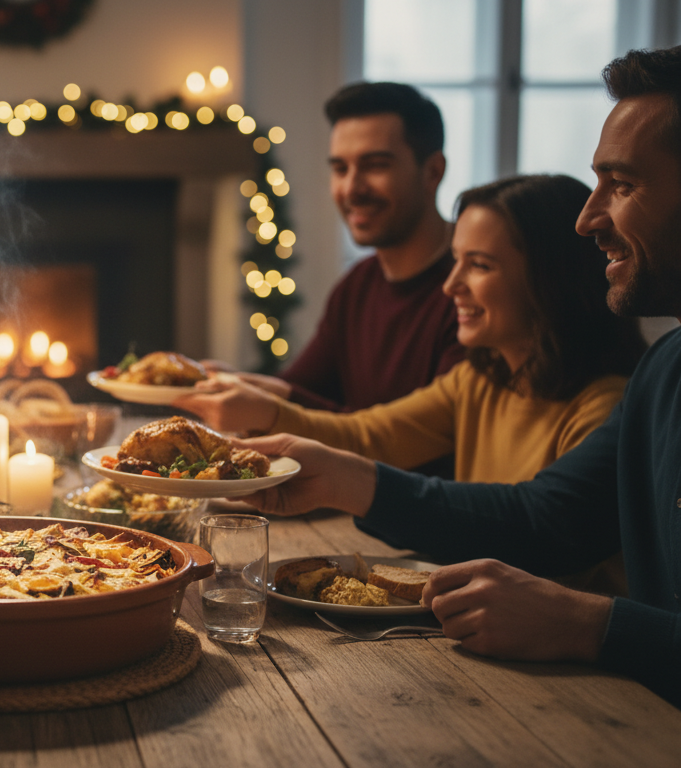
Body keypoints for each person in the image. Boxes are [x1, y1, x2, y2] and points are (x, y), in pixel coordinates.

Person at [232, 47, 681, 706]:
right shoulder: (665, 369)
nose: (589, 219)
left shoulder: (613, 386)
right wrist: (344, 474)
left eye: (623, 183)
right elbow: (544, 517)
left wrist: (594, 625)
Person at [178, 174, 644, 485]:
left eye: (479, 266)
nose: (450, 285)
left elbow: (541, 537)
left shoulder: (602, 410)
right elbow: (367, 436)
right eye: (456, 260)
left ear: (550, 279)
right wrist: (265, 408)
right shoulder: (480, 380)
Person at [210, 82, 464, 414]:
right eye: (340, 168)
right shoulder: (358, 285)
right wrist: (236, 384)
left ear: (433, 171)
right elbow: (298, 390)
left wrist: (272, 402)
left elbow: (427, 438)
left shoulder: (469, 290)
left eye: (375, 165)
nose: (351, 189)